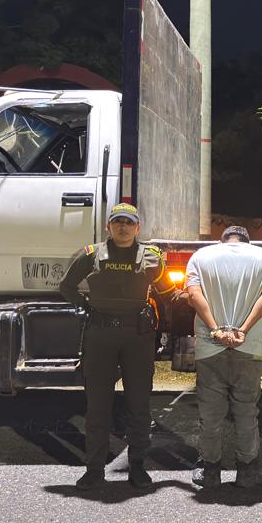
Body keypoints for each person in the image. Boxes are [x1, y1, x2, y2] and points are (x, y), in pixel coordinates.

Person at [59, 202, 176, 490]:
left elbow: (169, 293)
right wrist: (85, 306)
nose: (123, 227)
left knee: (139, 406)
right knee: (98, 406)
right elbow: (66, 286)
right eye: (117, 221)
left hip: (138, 337)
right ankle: (94, 470)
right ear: (108, 226)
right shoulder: (90, 255)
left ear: (138, 228)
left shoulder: (151, 258)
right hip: (100, 335)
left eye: (128, 222)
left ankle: (137, 467)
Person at [183, 225, 262, 489]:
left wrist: (216, 329)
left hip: (209, 347)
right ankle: (247, 470)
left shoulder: (201, 257)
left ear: (222, 240)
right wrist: (243, 330)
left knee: (211, 412)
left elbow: (193, 295)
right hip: (248, 347)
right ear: (248, 241)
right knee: (246, 410)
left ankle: (210, 469)